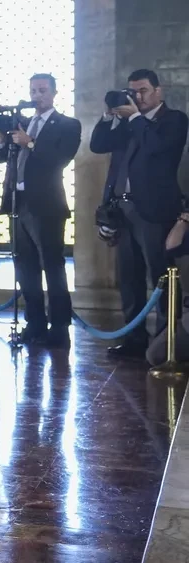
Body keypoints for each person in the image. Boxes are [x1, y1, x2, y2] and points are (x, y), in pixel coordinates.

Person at [90, 69, 188, 362]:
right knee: (129, 278)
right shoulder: (126, 124)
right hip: (124, 209)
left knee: (162, 277)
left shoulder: (174, 120)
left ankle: (165, 343)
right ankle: (133, 339)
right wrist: (109, 117)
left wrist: (134, 118)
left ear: (159, 91)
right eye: (132, 91)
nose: (137, 97)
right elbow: (98, 145)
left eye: (143, 90)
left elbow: (157, 148)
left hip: (156, 212)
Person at [0, 73, 81, 348]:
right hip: (18, 202)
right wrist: (5, 139)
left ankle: (60, 326)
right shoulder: (23, 123)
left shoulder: (67, 124)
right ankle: (35, 323)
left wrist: (29, 142)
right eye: (33, 90)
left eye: (42, 90)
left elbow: (59, 159)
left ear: (54, 93)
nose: (36, 96)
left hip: (47, 206)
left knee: (52, 267)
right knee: (25, 267)